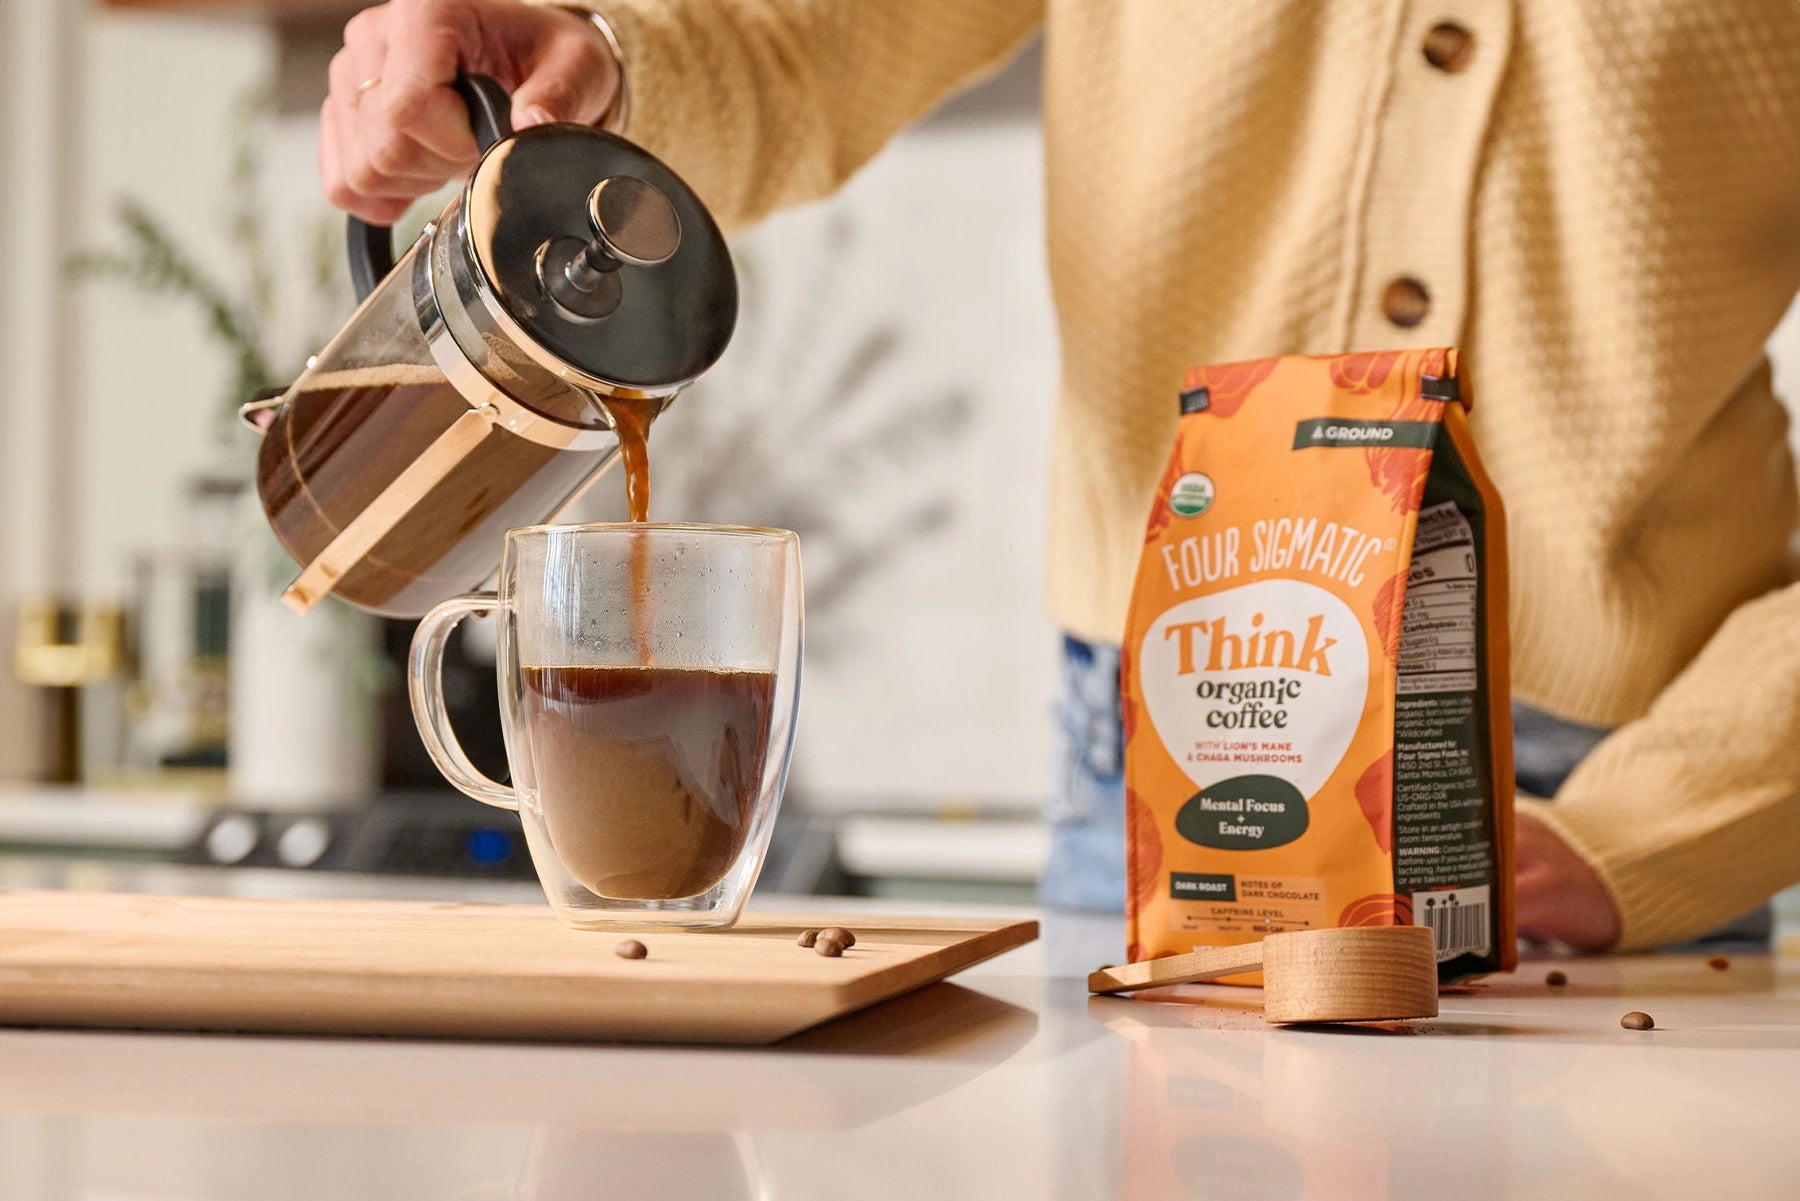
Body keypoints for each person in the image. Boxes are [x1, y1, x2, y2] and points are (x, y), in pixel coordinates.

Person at [320, 0, 1800, 953]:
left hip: (1617, 784)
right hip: (1171, 756)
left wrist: (1647, 832)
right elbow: (800, 40)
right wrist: (597, 48)